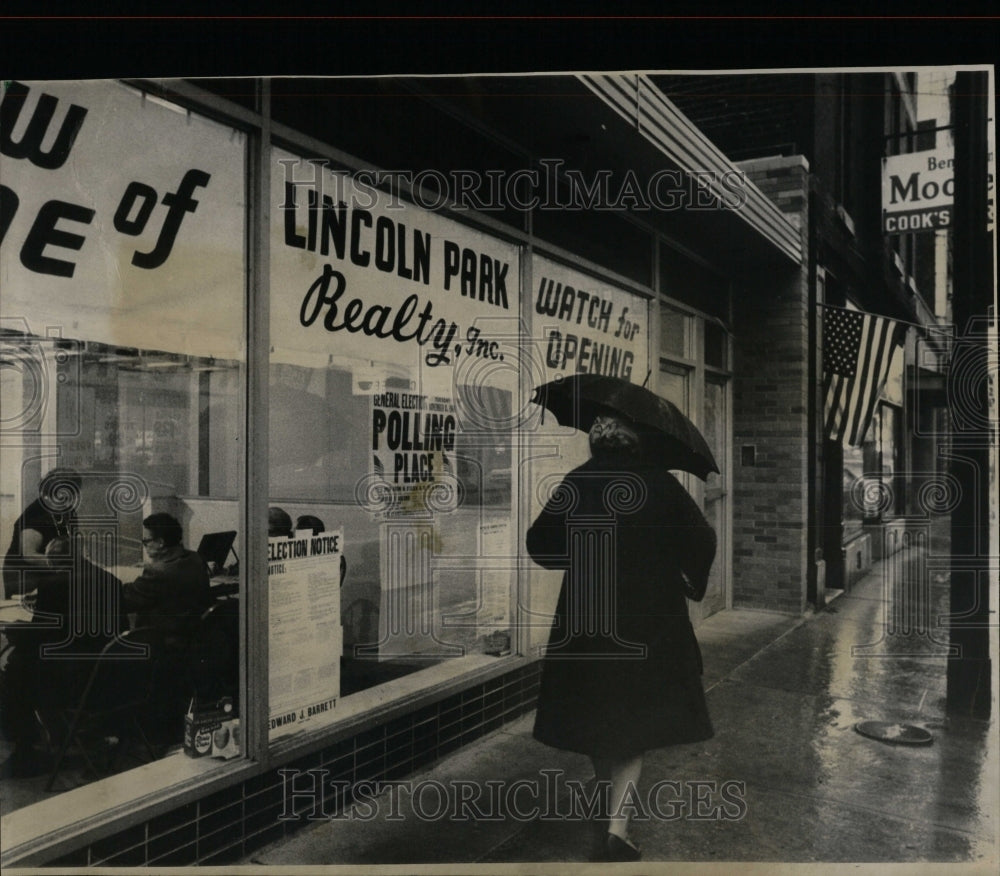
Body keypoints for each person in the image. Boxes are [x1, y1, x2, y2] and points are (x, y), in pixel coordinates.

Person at [525, 414, 717, 862]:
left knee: (599, 714)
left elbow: (540, 543)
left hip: (586, 620)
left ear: (597, 443)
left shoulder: (578, 480)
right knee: (634, 726)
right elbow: (703, 540)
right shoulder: (661, 483)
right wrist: (690, 579)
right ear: (637, 443)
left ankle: (607, 800)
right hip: (648, 622)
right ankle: (617, 829)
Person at [0, 536, 126, 778]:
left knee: (13, 668)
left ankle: (25, 749)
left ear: (52, 561)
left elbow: (40, 635)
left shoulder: (54, 584)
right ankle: (55, 734)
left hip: (72, 680)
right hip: (107, 675)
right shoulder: (111, 580)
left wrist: (14, 632)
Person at [122, 513, 212, 646]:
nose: (144, 546)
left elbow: (125, 600)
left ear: (160, 543)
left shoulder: (157, 573)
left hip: (162, 644)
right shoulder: (196, 559)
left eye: (146, 541)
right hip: (194, 637)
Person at [3, 468, 81, 599]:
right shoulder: (35, 515)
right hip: (24, 576)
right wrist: (65, 565)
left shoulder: (68, 512)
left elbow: (71, 543)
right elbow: (29, 555)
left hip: (51, 572)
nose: (70, 499)